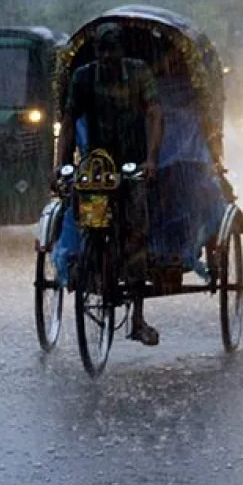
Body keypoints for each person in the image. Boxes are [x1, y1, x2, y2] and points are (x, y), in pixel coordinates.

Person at [56, 23, 165, 346]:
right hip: (98, 164)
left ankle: (137, 318)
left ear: (122, 51)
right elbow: (68, 121)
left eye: (113, 51)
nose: (108, 58)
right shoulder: (84, 78)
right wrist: (60, 165)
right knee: (84, 213)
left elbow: (156, 114)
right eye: (102, 51)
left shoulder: (139, 73)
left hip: (132, 163)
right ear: (98, 53)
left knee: (136, 229)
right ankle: (88, 262)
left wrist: (152, 159)